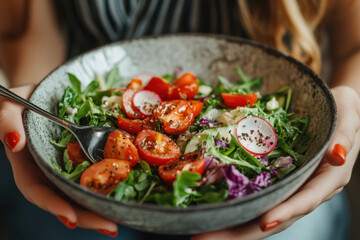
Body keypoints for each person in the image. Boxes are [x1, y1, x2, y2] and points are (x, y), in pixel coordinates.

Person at [0, 0, 359, 239]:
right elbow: (29, 31)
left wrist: (349, 101)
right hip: (96, 86)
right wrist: (40, 106)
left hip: (278, 191)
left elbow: (354, 46)